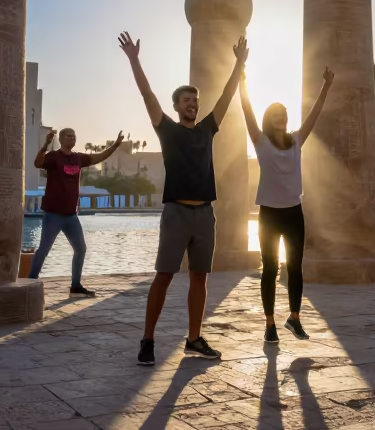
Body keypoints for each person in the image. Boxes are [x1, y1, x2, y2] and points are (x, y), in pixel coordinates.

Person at [119, 30, 247, 366]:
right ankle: (147, 340)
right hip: (176, 213)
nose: (192, 103)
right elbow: (147, 95)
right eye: (186, 100)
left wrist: (239, 65)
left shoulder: (207, 128)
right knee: (163, 276)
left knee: (200, 278)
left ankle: (194, 339)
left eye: (195, 99)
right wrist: (135, 60)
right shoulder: (167, 129)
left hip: (205, 215)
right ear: (177, 107)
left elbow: (227, 95)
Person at [239, 66, 333, 343]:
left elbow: (314, 117)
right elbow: (247, 111)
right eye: (276, 115)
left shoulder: (296, 141)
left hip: (294, 212)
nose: (281, 119)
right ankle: (269, 324)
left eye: (284, 115)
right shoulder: (260, 141)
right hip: (268, 214)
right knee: (269, 268)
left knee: (295, 266)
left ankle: (294, 317)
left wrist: (325, 87)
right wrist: (242, 79)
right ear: (270, 119)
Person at [29, 128, 124, 296]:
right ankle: (30, 282)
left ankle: (75, 285)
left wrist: (115, 145)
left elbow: (99, 156)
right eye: (68, 135)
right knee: (44, 249)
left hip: (71, 215)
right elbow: (37, 164)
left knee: (81, 249)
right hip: (53, 213)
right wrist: (45, 145)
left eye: (74, 136)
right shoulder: (53, 157)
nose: (72, 138)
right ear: (61, 138)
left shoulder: (79, 158)